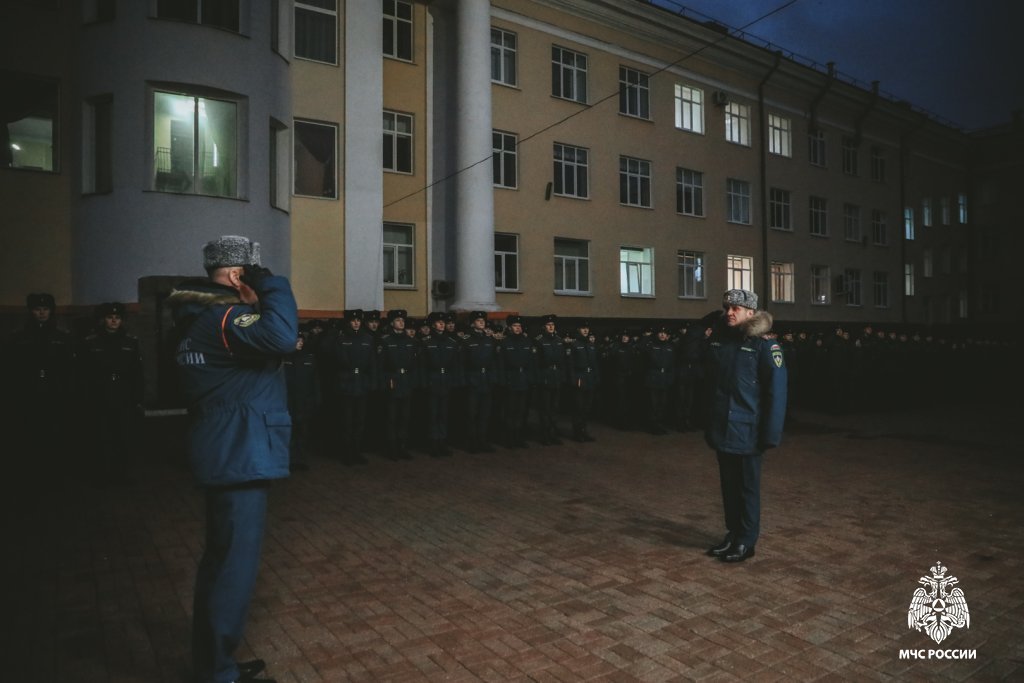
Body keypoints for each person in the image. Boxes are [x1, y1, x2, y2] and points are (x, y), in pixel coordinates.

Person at [166, 235, 296, 683]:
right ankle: (217, 673)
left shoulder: (198, 319)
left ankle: (214, 663)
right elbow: (282, 336)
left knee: (222, 563)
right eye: (254, 274)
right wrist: (270, 284)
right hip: (238, 450)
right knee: (232, 570)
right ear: (240, 275)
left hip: (226, 448)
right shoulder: (224, 317)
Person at [704, 289, 787, 564]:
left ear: (751, 313)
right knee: (729, 487)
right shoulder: (721, 341)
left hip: (749, 431)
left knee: (747, 489)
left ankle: (746, 541)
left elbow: (776, 393)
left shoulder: (765, 346)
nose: (729, 312)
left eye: (735, 308)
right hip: (724, 429)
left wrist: (770, 435)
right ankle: (733, 534)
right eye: (727, 307)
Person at [3, 292, 76, 478]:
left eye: (45, 309)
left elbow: (69, 369)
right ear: (31, 311)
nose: (42, 313)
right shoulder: (19, 338)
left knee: (55, 431)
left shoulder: (62, 337)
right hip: (29, 393)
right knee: (29, 430)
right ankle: (31, 471)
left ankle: (54, 471)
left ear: (51, 311)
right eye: (37, 309)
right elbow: (11, 369)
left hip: (55, 393)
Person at [77, 302, 144, 485]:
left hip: (123, 396)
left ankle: (121, 474)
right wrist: (87, 397)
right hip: (100, 395)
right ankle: (103, 474)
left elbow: (137, 372)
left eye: (117, 318)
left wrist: (137, 397)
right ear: (103, 320)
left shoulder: (130, 342)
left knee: (123, 436)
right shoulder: (91, 342)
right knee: (102, 436)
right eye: (110, 317)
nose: (114, 321)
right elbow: (84, 373)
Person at [326, 309, 376, 464]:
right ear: (348, 322)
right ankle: (347, 453)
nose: (356, 323)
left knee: (360, 421)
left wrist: (370, 382)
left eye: (358, 320)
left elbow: (372, 363)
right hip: (346, 384)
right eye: (353, 320)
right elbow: (336, 360)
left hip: (361, 384)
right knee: (346, 421)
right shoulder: (341, 338)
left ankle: (357, 451)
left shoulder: (368, 338)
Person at [376, 309, 418, 459]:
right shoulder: (385, 341)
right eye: (398, 320)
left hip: (406, 381)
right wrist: (385, 382)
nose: (401, 322)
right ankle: (391, 448)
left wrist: (412, 381)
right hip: (392, 381)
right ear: (392, 323)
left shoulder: (411, 341)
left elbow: (414, 364)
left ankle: (402, 447)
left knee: (404, 417)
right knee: (392, 417)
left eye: (403, 320)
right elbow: (380, 365)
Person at [462, 311, 498, 452]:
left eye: (483, 320)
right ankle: (472, 442)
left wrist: (492, 379)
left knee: (485, 413)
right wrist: (466, 381)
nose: (482, 322)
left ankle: (483, 441)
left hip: (486, 381)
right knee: (472, 414)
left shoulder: (489, 339)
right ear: (472, 323)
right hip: (473, 380)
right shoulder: (466, 340)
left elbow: (493, 361)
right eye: (478, 320)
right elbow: (462, 363)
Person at [496, 314, 533, 448]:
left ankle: (519, 438)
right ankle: (509, 439)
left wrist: (530, 379)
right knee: (510, 411)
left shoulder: (527, 342)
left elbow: (531, 363)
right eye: (515, 326)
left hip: (523, 380)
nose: (518, 328)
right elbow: (501, 365)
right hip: (510, 380)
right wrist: (503, 381)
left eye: (519, 326)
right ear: (509, 328)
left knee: (521, 411)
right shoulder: (505, 343)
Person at [533, 314, 566, 445]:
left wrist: (562, 376)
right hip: (545, 377)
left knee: (555, 408)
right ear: (544, 327)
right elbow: (536, 363)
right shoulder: (539, 341)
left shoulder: (559, 340)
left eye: (553, 325)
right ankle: (545, 435)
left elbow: (562, 361)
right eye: (548, 325)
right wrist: (539, 379)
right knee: (545, 408)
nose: (551, 327)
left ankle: (553, 434)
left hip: (556, 376)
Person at [566, 320, 599, 442]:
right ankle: (577, 433)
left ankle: (584, 431)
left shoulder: (591, 345)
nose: (585, 330)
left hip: (590, 378)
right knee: (578, 408)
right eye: (583, 328)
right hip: (580, 378)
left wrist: (596, 377)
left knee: (587, 408)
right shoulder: (574, 345)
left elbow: (595, 364)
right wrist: (574, 380)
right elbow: (570, 365)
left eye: (587, 328)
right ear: (578, 330)